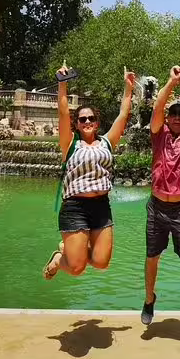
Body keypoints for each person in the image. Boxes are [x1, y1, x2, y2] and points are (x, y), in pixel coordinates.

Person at [42, 65, 135, 279]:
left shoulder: (107, 142)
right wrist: (62, 84)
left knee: (101, 263)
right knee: (77, 268)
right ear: (76, 124)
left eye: (90, 118)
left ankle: (72, 252)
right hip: (75, 208)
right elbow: (63, 112)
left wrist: (128, 88)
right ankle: (59, 259)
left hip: (101, 206)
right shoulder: (70, 143)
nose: (87, 122)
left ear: (97, 122)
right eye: (82, 119)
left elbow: (123, 114)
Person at [141, 65, 180, 331]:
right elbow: (156, 110)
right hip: (157, 207)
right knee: (152, 256)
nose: (177, 117)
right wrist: (170, 82)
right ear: (168, 118)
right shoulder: (159, 135)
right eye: (173, 114)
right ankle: (148, 299)